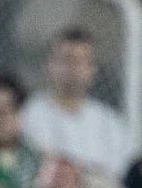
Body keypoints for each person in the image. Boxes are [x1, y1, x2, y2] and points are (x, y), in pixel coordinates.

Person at [21, 28, 132, 180]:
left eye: (80, 61)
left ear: (92, 70)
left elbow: (118, 171)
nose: (72, 68)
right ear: (50, 64)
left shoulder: (110, 123)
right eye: (66, 59)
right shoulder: (29, 113)